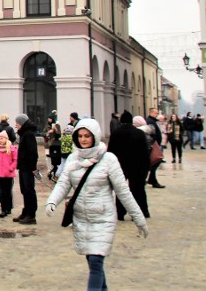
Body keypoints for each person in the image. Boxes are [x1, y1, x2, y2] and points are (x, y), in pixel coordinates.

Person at [45, 118, 149, 291]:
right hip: (82, 219)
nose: (83, 139)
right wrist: (52, 200)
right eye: (80, 136)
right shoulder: (73, 159)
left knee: (95, 261)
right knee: (93, 262)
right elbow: (63, 184)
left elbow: (123, 192)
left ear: (95, 136)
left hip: (103, 217)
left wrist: (139, 219)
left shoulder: (109, 159)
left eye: (87, 136)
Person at [106, 110, 150, 220]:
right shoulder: (139, 133)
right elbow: (145, 152)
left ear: (121, 121)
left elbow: (111, 151)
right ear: (131, 121)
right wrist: (146, 167)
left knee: (121, 190)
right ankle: (142, 211)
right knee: (138, 189)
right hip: (137, 165)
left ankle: (120, 213)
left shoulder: (116, 133)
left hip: (120, 166)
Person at [13, 114, 38, 224]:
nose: (16, 125)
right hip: (23, 167)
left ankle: (31, 215)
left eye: (17, 123)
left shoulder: (28, 134)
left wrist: (33, 167)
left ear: (21, 123)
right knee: (24, 190)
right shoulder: (24, 134)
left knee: (29, 190)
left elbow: (33, 152)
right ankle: (26, 211)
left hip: (28, 167)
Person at [0, 130, 17, 218]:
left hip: (8, 173)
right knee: (2, 192)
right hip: (0, 173)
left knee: (8, 191)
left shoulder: (11, 148)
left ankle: (8, 207)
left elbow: (15, 160)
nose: (0, 140)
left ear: (6, 138)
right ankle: (3, 209)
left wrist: (11, 168)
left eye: (2, 138)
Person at [144, 109, 165, 189]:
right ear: (151, 113)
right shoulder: (150, 121)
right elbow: (150, 133)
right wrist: (152, 143)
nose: (157, 114)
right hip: (152, 145)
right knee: (155, 161)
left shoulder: (152, 121)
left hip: (154, 144)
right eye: (156, 113)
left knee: (155, 162)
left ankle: (152, 179)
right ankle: (151, 179)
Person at [45, 114, 62, 180]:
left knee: (56, 160)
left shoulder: (57, 126)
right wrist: (47, 133)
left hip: (55, 145)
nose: (48, 120)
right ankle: (50, 171)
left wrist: (55, 130)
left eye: (50, 118)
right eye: (48, 118)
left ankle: (55, 172)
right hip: (48, 144)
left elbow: (59, 134)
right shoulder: (47, 126)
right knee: (48, 159)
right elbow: (43, 133)